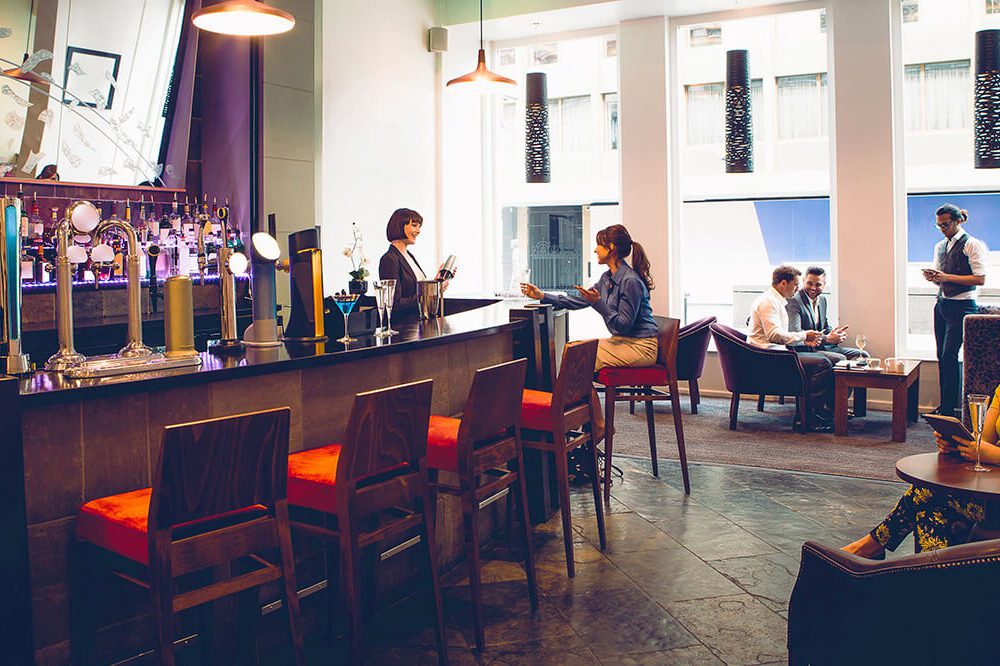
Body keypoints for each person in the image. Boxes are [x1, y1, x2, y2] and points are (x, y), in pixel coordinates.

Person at [844, 382, 1000, 557]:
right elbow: (983, 439)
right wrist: (958, 444)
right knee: (931, 515)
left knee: (928, 492)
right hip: (988, 492)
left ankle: (871, 546)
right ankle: (930, 579)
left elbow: (988, 450)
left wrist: (993, 454)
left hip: (994, 503)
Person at [520, 224, 658, 371]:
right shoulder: (607, 278)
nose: (595, 249)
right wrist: (542, 295)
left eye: (599, 245)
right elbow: (581, 300)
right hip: (622, 341)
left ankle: (569, 395)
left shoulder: (630, 281)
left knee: (581, 355)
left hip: (641, 346)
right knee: (573, 348)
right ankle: (577, 395)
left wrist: (598, 302)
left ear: (611, 247)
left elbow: (624, 326)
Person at [747, 265, 834, 431]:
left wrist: (804, 340)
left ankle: (820, 412)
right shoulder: (768, 302)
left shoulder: (777, 301)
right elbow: (774, 336)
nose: (798, 289)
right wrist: (804, 336)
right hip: (768, 357)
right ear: (783, 283)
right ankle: (806, 418)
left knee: (828, 360)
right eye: (795, 285)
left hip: (778, 352)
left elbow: (781, 335)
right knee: (823, 363)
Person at [925, 204, 988, 417]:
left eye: (946, 224)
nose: (942, 228)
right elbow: (941, 280)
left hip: (963, 306)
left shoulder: (972, 244)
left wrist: (946, 277)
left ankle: (952, 410)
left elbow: (980, 278)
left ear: (958, 221)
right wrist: (934, 278)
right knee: (941, 356)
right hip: (942, 303)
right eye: (939, 225)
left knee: (950, 355)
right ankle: (945, 406)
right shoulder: (939, 246)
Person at [786, 266, 866, 364]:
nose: (813, 288)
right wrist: (827, 338)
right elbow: (796, 333)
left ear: (824, 285)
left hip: (824, 347)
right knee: (840, 358)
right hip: (806, 350)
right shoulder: (794, 301)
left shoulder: (823, 300)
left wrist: (836, 334)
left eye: (818, 284)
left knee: (863, 355)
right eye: (809, 283)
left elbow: (824, 327)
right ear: (803, 281)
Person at [378, 208, 445, 317]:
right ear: (399, 226)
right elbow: (396, 304)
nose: (418, 231)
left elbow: (418, 291)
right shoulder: (389, 259)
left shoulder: (409, 256)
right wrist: (428, 292)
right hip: (405, 327)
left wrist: (435, 284)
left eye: (419, 227)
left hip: (418, 324)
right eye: (414, 225)